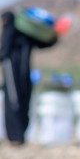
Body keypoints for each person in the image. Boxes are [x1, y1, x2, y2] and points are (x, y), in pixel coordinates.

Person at [0, 8, 58, 145]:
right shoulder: (10, 32)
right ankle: (15, 137)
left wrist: (55, 37)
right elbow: (4, 51)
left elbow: (43, 43)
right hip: (11, 69)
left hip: (24, 72)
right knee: (14, 100)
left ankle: (21, 135)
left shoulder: (25, 35)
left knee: (24, 99)